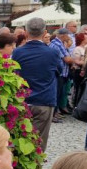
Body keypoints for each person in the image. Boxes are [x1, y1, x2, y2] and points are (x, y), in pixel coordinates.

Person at [11, 17, 62, 151]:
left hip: (22, 101)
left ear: (26, 33)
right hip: (44, 101)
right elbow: (59, 71)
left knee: (20, 140)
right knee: (39, 143)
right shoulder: (53, 53)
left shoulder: (17, 52)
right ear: (45, 32)